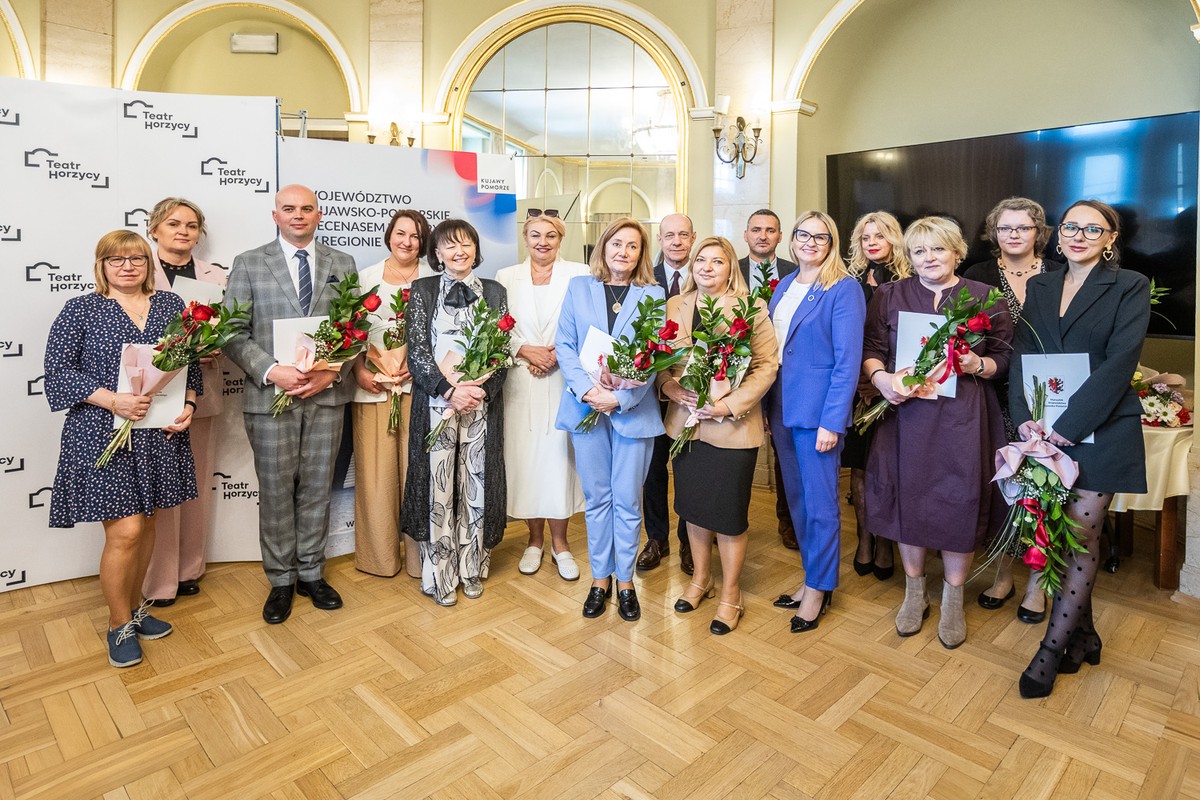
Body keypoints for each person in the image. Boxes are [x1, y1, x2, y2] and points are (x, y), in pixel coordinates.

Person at [1010, 200, 1149, 698]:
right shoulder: (1041, 285)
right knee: (1063, 535)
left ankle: (1050, 648)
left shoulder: (1131, 285)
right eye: (1070, 226)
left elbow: (1119, 364)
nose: (1079, 235)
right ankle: (1084, 638)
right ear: (1057, 233)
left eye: (1093, 228)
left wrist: (1066, 428)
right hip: (1043, 430)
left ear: (1111, 238)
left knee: (1082, 532)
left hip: (1102, 428)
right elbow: (1022, 356)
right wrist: (1026, 418)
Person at [45, 230, 200, 667]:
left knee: (148, 524)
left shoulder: (172, 308)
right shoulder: (80, 310)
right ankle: (118, 625)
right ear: (103, 266)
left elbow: (187, 367)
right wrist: (113, 400)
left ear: (148, 264)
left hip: (158, 434)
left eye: (136, 258)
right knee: (126, 530)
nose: (128, 266)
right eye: (117, 260)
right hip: (100, 432)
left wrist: (188, 405)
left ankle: (133, 612)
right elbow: (57, 373)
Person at [861, 216, 1012, 649]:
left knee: (959, 499)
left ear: (957, 252)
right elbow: (871, 350)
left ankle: (952, 596)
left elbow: (1004, 359)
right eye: (920, 251)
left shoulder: (985, 298)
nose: (929, 258)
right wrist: (883, 381)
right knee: (909, 495)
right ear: (909, 257)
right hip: (906, 417)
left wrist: (975, 365)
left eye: (938, 249)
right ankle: (914, 591)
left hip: (963, 418)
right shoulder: (889, 295)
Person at [224, 184, 357, 625]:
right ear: (275, 214)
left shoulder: (343, 263)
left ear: (319, 214)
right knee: (278, 490)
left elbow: (353, 328)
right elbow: (232, 332)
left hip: (326, 394)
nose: (298, 215)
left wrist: (330, 370)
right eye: (289, 209)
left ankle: (312, 574)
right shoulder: (248, 263)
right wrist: (271, 369)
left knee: (319, 487)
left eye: (306, 209)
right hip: (269, 396)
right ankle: (281, 580)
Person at [660, 236, 778, 633]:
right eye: (701, 261)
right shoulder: (675, 305)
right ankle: (700, 581)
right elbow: (662, 361)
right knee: (693, 509)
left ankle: (731, 594)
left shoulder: (753, 308)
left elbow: (766, 366)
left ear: (731, 268)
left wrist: (728, 404)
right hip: (686, 426)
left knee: (728, 517)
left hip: (731, 428)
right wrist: (670, 388)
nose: (707, 267)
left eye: (718, 261)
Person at [556, 217, 663, 621]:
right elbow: (565, 344)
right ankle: (600, 580)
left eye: (632, 246)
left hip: (632, 413)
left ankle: (626, 581)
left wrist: (619, 397)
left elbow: (654, 358)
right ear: (602, 247)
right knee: (598, 498)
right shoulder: (579, 288)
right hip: (585, 408)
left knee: (628, 500)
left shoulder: (653, 293)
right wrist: (588, 392)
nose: (623, 251)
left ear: (641, 254)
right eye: (616, 243)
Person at [963, 197, 1062, 622]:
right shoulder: (977, 276)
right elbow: (964, 338)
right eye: (1006, 228)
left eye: (1024, 227)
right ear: (994, 233)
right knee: (1003, 489)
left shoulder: (1061, 274)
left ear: (1039, 232)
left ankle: (1038, 584)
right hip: (994, 394)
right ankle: (1002, 576)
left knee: (1045, 488)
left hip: (1049, 397)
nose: (1015, 235)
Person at [767, 212, 866, 632]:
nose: (809, 242)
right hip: (781, 409)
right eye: (802, 235)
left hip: (817, 416)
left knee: (822, 505)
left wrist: (833, 421)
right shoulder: (785, 285)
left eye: (819, 236)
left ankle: (819, 589)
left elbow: (847, 362)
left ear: (832, 242)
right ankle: (811, 577)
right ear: (792, 241)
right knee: (799, 501)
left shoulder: (844, 289)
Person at [401, 219, 508, 606]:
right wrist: (448, 390)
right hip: (435, 407)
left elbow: (501, 349)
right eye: (449, 246)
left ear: (476, 250)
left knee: (475, 487)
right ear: (436, 253)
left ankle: (472, 568)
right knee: (438, 490)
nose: (458, 251)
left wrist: (477, 391)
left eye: (466, 244)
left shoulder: (495, 292)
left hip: (479, 406)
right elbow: (417, 351)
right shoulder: (423, 290)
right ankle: (440, 575)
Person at [140, 197, 226, 607]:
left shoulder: (216, 277)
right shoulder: (135, 269)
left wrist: (216, 349)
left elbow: (232, 331)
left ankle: (190, 569)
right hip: (148, 398)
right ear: (154, 229)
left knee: (195, 487)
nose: (183, 231)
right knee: (157, 490)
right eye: (173, 224)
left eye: (192, 225)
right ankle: (158, 582)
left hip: (201, 394)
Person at [496, 211, 588, 580]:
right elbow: (496, 329)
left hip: (563, 378)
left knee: (559, 462)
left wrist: (553, 354)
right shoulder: (505, 277)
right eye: (535, 235)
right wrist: (523, 350)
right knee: (526, 462)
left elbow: (587, 322)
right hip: (521, 383)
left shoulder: (579, 273)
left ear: (560, 239)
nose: (542, 242)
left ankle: (561, 545)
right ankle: (534, 541)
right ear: (525, 238)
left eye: (551, 235)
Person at [350, 210, 434, 579]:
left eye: (415, 236)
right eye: (401, 233)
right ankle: (379, 558)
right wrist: (360, 372)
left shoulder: (435, 279)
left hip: (421, 391)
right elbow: (349, 335)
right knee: (377, 476)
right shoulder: (365, 278)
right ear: (388, 235)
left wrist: (416, 369)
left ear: (424, 242)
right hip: (374, 389)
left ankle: (421, 561)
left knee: (418, 474)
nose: (407, 242)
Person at [843, 211, 910, 581]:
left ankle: (886, 542)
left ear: (894, 239)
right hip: (857, 389)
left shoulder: (911, 280)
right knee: (860, 468)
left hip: (898, 389)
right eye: (866, 236)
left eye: (880, 235)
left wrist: (884, 379)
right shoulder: (849, 281)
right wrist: (862, 380)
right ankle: (864, 539)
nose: (872, 242)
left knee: (890, 471)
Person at [736, 208, 799, 552]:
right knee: (735, 452)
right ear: (745, 235)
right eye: (756, 229)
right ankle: (729, 519)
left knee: (785, 455)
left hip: (785, 378)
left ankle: (788, 521)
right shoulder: (731, 273)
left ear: (779, 236)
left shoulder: (796, 272)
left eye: (770, 230)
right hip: (739, 378)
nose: (763, 235)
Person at [639, 212, 695, 573]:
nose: (676, 241)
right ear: (659, 240)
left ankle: (691, 542)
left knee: (690, 468)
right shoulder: (645, 279)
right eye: (669, 235)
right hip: (648, 392)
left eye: (683, 235)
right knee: (653, 468)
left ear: (693, 238)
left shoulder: (707, 275)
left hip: (694, 391)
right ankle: (657, 538)